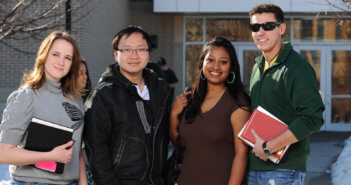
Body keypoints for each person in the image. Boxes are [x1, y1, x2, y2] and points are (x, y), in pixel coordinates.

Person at [247, 4, 325, 185]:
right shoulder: (257, 67)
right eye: (255, 27)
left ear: (281, 28)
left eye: (268, 26)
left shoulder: (297, 67)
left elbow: (312, 118)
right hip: (255, 169)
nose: (260, 32)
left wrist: (268, 148)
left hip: (283, 172)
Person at [83, 26, 171, 185]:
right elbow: (96, 153)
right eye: (127, 50)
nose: (134, 55)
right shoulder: (103, 95)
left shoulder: (160, 90)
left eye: (140, 49)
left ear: (149, 54)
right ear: (116, 54)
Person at [0, 31, 87, 184]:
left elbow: (77, 150)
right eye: (56, 54)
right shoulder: (27, 97)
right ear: (44, 55)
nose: (61, 62)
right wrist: (49, 156)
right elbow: (4, 154)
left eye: (67, 58)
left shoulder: (75, 99)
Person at [169, 37, 251, 185]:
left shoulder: (238, 102)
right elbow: (181, 144)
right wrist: (174, 115)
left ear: (231, 67)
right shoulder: (190, 97)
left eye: (223, 62)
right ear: (202, 63)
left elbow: (242, 153)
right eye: (211, 60)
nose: (216, 67)